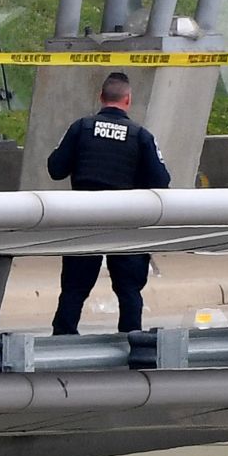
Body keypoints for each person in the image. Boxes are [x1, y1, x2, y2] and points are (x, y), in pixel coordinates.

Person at [47, 71, 171, 335]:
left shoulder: (81, 128)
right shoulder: (141, 136)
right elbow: (161, 180)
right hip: (126, 221)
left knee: (74, 288)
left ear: (101, 97)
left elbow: (55, 168)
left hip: (84, 218)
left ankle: (62, 341)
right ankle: (132, 344)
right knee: (128, 289)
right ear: (128, 99)